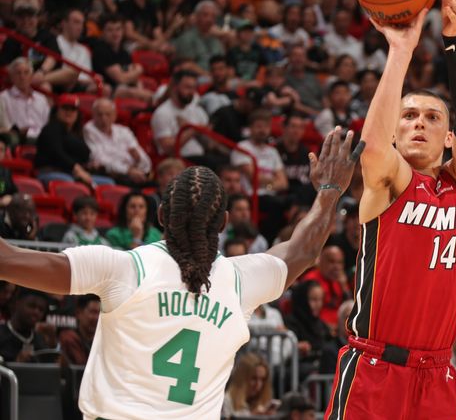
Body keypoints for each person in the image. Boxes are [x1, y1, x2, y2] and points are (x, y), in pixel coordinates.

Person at [0, 128, 361, 418]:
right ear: (223, 222)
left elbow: (11, 260)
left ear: (160, 217)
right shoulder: (241, 282)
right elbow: (304, 249)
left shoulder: (124, 269)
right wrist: (330, 191)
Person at [325, 0, 456, 419]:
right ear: (396, 131)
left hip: (436, 376)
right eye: (409, 116)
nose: (419, 123)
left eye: (432, 118)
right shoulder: (389, 182)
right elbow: (372, 149)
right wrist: (401, 51)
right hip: (375, 368)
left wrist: (453, 43)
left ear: (448, 137)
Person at [35, 94, 115, 188]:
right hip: (51, 171)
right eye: (65, 108)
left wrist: (89, 165)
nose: (69, 112)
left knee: (108, 183)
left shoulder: (77, 134)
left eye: (73, 109)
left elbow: (85, 153)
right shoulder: (50, 129)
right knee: (69, 183)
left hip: (72, 174)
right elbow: (56, 153)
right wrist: (76, 169)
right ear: (56, 111)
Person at [83, 98, 152, 186]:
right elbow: (100, 159)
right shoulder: (89, 129)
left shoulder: (124, 131)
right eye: (100, 114)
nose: (104, 118)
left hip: (134, 172)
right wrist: (128, 170)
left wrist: (139, 159)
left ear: (114, 115)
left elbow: (146, 162)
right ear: (93, 115)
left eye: (107, 114)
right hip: (113, 175)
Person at [0, 57, 51, 141]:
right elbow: (6, 128)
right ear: (11, 77)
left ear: (31, 76)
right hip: (20, 139)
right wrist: (19, 133)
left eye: (26, 73)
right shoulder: (3, 98)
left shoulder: (41, 98)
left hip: (42, 140)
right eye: (18, 73)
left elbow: (47, 125)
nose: (22, 77)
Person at [301, 245, 351, 329]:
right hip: (318, 329)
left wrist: (344, 286)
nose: (336, 267)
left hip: (340, 329)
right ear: (320, 261)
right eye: (331, 261)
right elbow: (306, 314)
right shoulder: (311, 280)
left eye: (340, 262)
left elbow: (349, 307)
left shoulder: (340, 281)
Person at [0, 287, 50, 362]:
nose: (36, 312)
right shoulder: (1, 334)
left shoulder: (40, 341)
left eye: (41, 309)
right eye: (31, 306)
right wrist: (17, 363)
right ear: (17, 303)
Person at [221, 353, 277, 418]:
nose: (258, 384)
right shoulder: (225, 401)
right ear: (242, 378)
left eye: (263, 379)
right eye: (254, 378)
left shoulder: (264, 404)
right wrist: (252, 416)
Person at [58, 294, 100, 365]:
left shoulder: (102, 340)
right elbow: (81, 367)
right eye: (93, 312)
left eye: (100, 313)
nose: (97, 318)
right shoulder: (68, 338)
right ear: (78, 313)